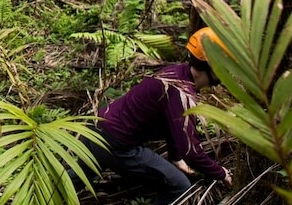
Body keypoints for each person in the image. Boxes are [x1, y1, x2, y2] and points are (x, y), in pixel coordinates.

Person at [76, 27, 233, 204]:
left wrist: (175, 157)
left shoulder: (175, 73)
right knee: (179, 187)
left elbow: (170, 122)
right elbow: (192, 152)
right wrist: (221, 173)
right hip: (116, 143)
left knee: (75, 178)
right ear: (214, 66)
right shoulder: (183, 94)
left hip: (96, 126)